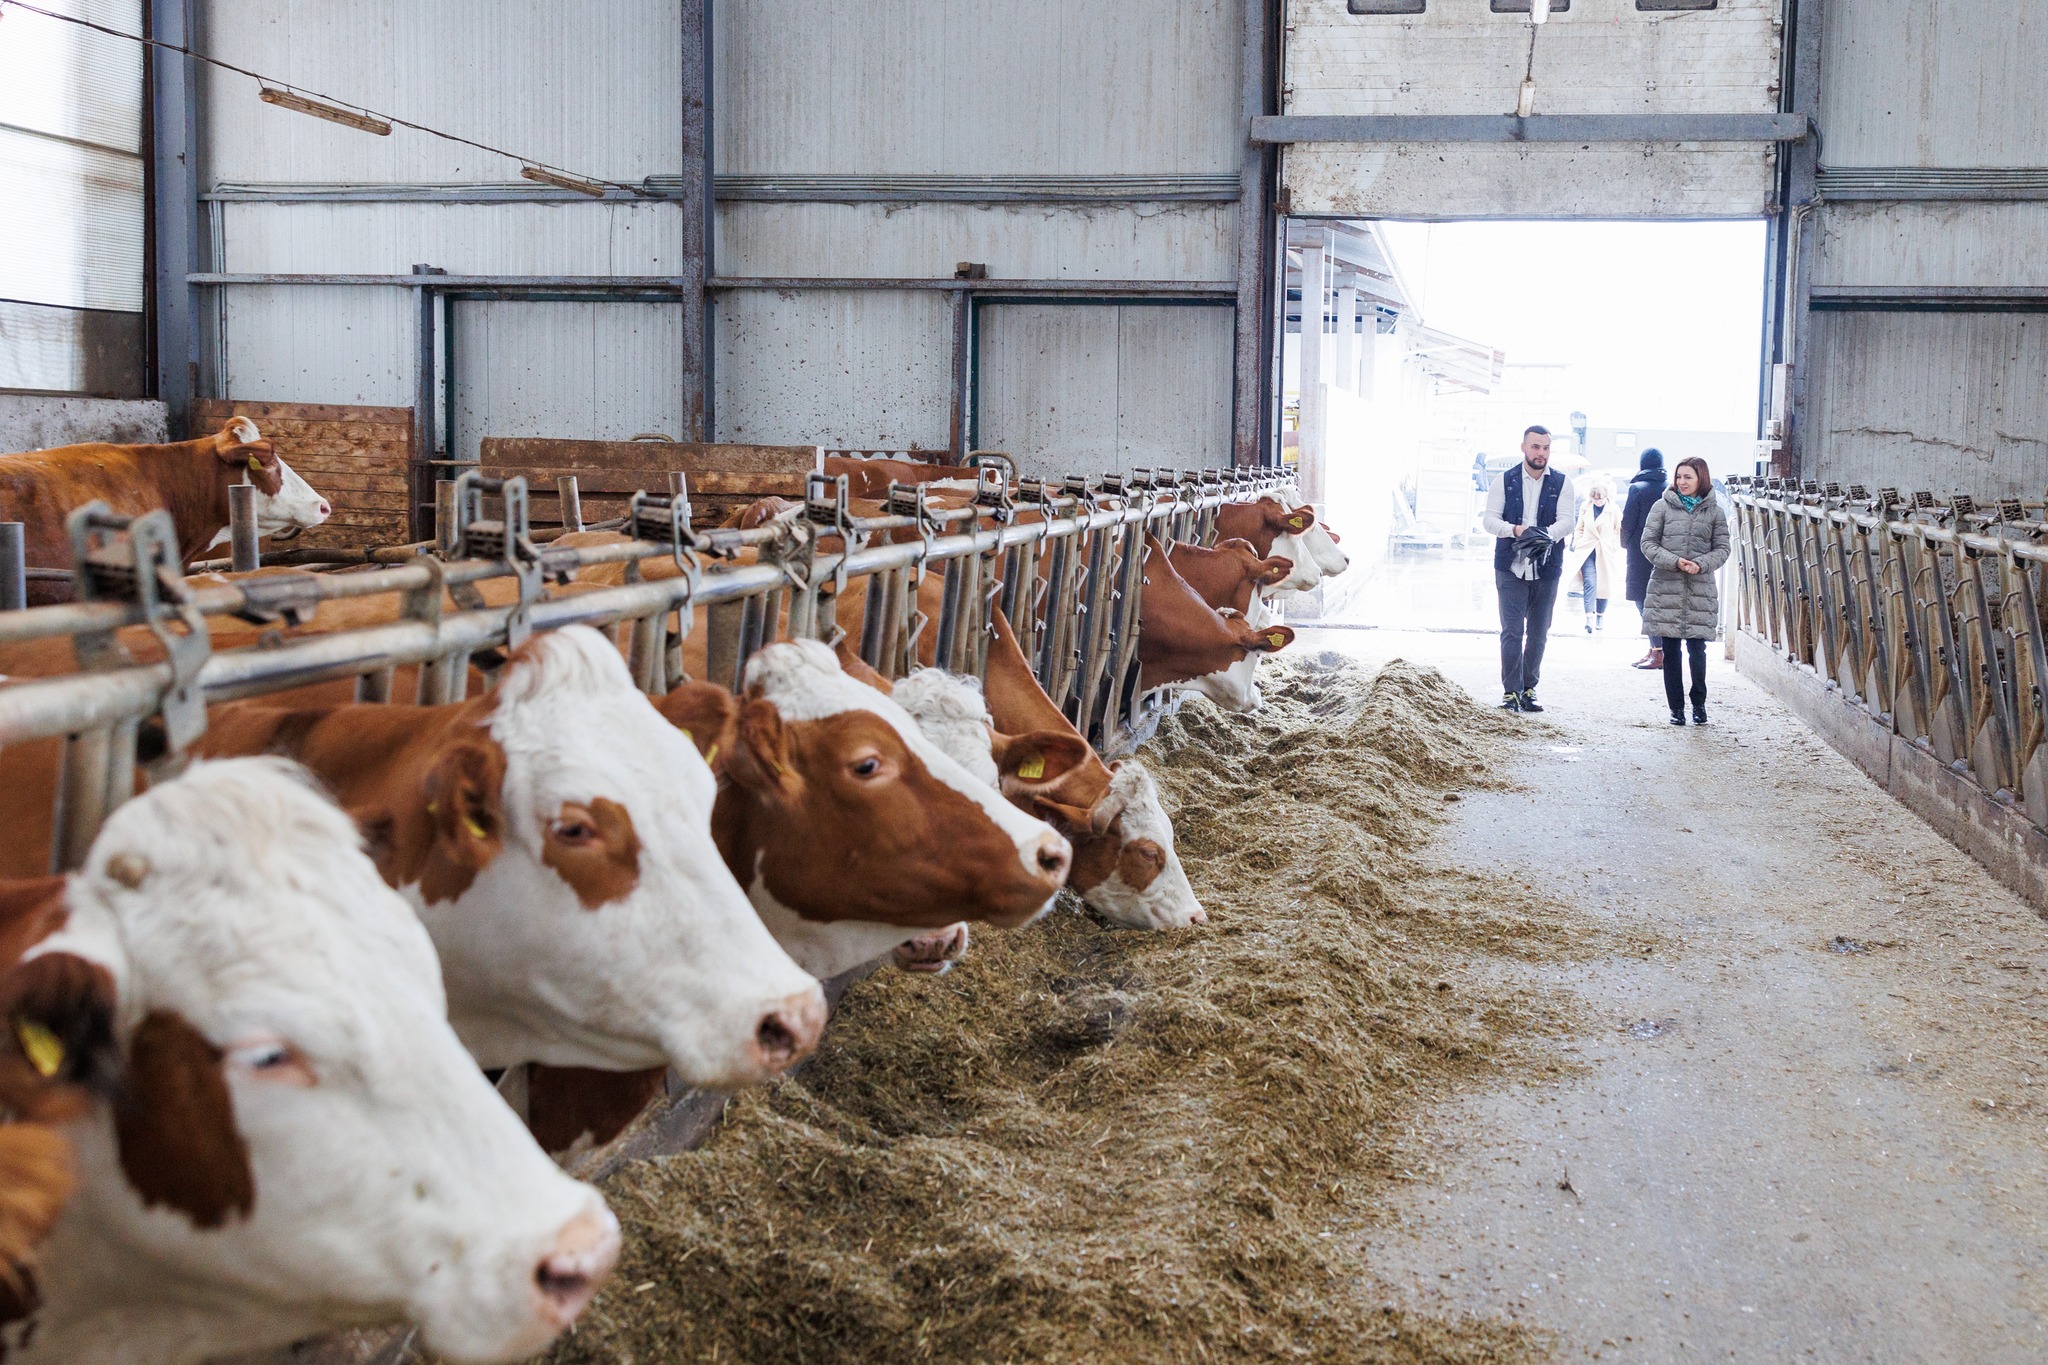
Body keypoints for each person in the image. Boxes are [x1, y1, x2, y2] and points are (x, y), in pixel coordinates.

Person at [1482, 425, 1578, 713]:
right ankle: (1511, 692)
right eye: (1536, 447)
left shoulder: (1563, 483)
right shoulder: (1505, 480)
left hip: (1547, 568)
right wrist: (1515, 530)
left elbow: (1567, 521)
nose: (1541, 453)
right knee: (1512, 631)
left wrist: (1542, 535)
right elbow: (1489, 520)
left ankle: (1529, 689)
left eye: (1546, 447)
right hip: (1510, 567)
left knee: (1539, 632)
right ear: (1523, 447)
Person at [1639, 455, 1731, 725]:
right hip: (1666, 586)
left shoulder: (1714, 511)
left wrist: (1701, 565)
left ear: (1700, 477)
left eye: (1687, 477)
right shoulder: (1662, 507)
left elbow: (1723, 548)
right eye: (1679, 477)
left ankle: (1699, 704)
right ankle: (1676, 708)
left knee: (1697, 650)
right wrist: (1674, 562)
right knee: (1671, 651)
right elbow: (1648, 543)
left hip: (1699, 589)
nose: (1681, 482)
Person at [1619, 448, 1667, 670]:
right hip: (1664, 552)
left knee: (1643, 601)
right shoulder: (1669, 488)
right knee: (1658, 600)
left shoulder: (1637, 489)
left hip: (1640, 551)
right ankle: (1654, 648)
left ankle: (1658, 652)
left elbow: (1628, 521)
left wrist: (1624, 542)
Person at [1565, 477, 1620, 633]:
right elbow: (1579, 527)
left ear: (1606, 496)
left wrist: (1614, 546)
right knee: (1590, 582)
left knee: (1604, 584)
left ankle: (1600, 615)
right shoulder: (1585, 507)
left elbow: (1618, 531)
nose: (1597, 502)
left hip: (1605, 551)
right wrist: (1577, 542)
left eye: (1600, 499)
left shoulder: (1613, 509)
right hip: (1587, 549)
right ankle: (1589, 616)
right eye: (1594, 499)